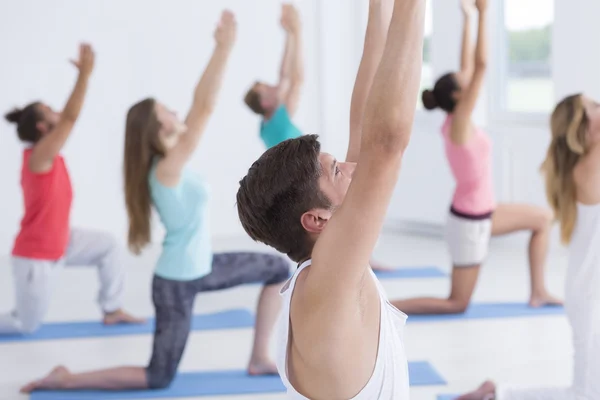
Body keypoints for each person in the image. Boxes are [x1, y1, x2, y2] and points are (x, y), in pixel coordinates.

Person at [21, 11, 289, 394]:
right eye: (168, 110)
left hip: (201, 267)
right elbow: (204, 107)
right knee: (159, 377)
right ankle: (65, 378)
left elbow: (197, 111)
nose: (177, 113)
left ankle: (259, 357)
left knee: (277, 268)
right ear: (157, 127)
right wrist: (224, 49)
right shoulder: (166, 169)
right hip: (177, 283)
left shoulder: (168, 166)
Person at [236, 0, 425, 398]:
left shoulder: (328, 268)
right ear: (316, 219)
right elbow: (386, 143)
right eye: (338, 170)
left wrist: (379, 10)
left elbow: (363, 118)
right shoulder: (328, 283)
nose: (353, 167)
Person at [392, 0, 560, 316]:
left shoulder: (455, 118)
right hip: (470, 223)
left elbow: (469, 66)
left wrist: (467, 18)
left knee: (542, 219)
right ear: (458, 95)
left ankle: (538, 291)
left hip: (483, 213)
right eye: (463, 80)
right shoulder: (459, 124)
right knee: (456, 303)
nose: (469, 78)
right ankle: (385, 306)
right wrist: (485, 14)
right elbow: (481, 66)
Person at [455, 94, 600, 400]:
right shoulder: (588, 166)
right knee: (587, 394)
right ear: (582, 126)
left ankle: (497, 393)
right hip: (591, 298)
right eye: (595, 107)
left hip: (588, 292)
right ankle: (497, 395)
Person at [1, 44, 141, 336]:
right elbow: (70, 119)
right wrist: (85, 75)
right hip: (36, 256)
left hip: (61, 242)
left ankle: (112, 309)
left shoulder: (48, 155)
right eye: (51, 111)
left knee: (108, 246)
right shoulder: (40, 156)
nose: (58, 111)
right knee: (25, 325)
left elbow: (66, 119)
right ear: (41, 126)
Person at [243, 3, 303, 149]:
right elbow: (294, 80)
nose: (273, 86)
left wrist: (291, 34)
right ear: (265, 103)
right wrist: (295, 32)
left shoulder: (265, 127)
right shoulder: (278, 124)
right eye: (268, 89)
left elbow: (285, 77)